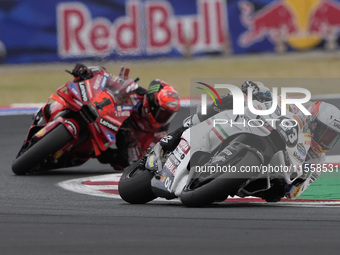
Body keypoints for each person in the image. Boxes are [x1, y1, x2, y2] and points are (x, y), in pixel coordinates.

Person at [158, 80, 340, 201]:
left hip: (270, 175)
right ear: (314, 122)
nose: (326, 141)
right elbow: (273, 102)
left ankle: (221, 180)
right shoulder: (296, 111)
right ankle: (181, 131)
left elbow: (294, 194)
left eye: (332, 138)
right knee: (233, 101)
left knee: (276, 194)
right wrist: (258, 90)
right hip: (262, 131)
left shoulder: (318, 159)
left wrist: (298, 181)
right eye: (326, 133)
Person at [69, 63, 181, 170]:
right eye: (162, 113)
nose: (164, 118)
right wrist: (88, 72)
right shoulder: (135, 91)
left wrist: (133, 146)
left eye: (169, 115)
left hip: (123, 138)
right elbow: (108, 78)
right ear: (152, 103)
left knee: (123, 162)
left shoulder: (160, 131)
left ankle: (89, 151)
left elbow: (145, 155)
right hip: (104, 115)